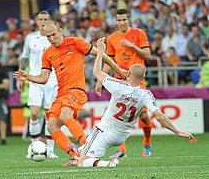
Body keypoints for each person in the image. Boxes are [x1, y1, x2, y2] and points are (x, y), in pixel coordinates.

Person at [13, 21, 127, 166]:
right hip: (61, 93)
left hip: (76, 89)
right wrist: (28, 76)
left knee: (65, 115)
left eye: (54, 34)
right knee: (52, 126)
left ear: (61, 31)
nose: (52, 38)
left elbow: (101, 55)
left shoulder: (75, 42)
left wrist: (118, 70)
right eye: (48, 36)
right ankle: (76, 156)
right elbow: (43, 79)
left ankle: (87, 148)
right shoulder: (47, 53)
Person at [76, 37, 194, 167]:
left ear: (128, 73)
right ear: (143, 77)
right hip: (123, 136)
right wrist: (177, 131)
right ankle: (86, 148)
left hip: (106, 131)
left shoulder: (117, 85)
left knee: (82, 162)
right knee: (86, 146)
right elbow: (159, 116)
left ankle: (108, 163)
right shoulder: (146, 95)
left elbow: (97, 72)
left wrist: (100, 51)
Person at [95, 9, 152, 158]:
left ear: (129, 20)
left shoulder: (139, 33)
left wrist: (132, 46)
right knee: (117, 115)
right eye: (118, 20)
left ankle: (147, 143)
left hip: (137, 80)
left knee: (144, 116)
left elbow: (147, 55)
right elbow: (110, 61)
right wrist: (100, 80)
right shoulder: (112, 38)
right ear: (115, 21)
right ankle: (122, 150)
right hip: (120, 79)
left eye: (124, 20)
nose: (121, 23)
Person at [16, 11, 58, 158]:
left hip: (52, 79)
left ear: (50, 21)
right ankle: (34, 147)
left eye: (46, 19)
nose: (43, 22)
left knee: (49, 115)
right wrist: (20, 77)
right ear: (36, 21)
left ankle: (50, 149)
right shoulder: (30, 38)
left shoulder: (54, 37)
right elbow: (24, 58)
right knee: (34, 113)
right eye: (40, 19)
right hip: (34, 79)